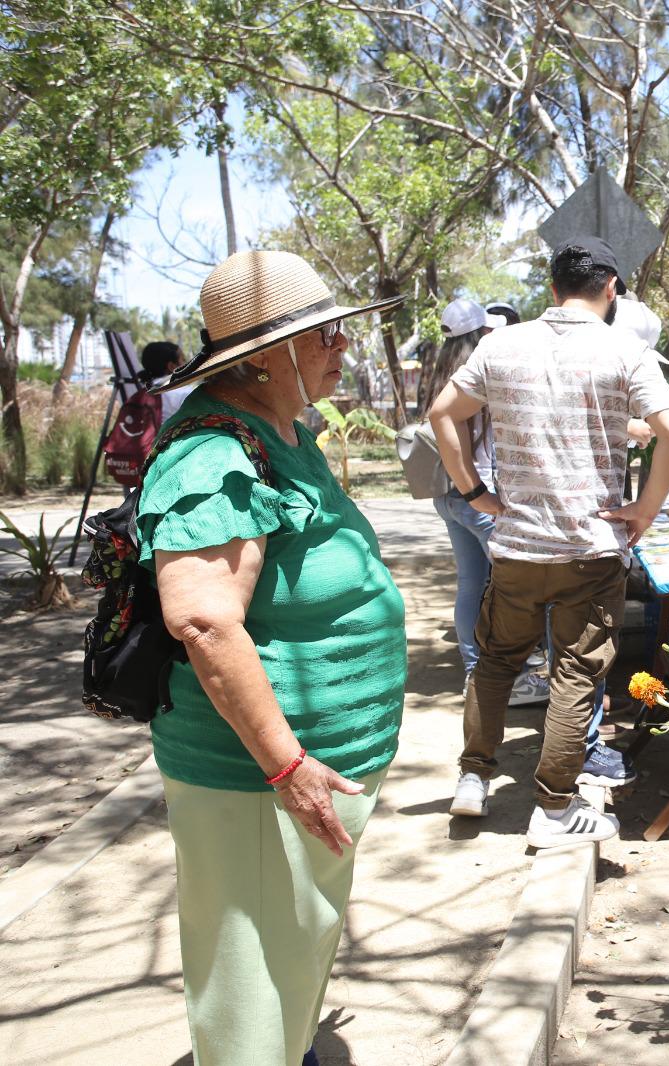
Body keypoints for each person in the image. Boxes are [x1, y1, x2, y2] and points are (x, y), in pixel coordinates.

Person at [142, 250, 407, 1066]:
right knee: (250, 980)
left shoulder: (284, 428)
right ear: (261, 355)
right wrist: (289, 768)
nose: (341, 346)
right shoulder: (209, 452)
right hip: (256, 784)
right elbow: (205, 622)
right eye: (322, 334)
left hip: (305, 774)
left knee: (291, 952)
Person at [428, 236, 669, 847]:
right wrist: (644, 511)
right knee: (575, 674)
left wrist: (474, 492)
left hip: (516, 546)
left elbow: (443, 415)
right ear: (611, 288)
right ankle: (553, 808)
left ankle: (473, 778)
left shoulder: (500, 345)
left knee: (494, 663)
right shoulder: (623, 348)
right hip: (590, 549)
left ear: (551, 290)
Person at [429, 299, 550, 711]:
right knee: (519, 588)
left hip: (448, 497)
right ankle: (514, 678)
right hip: (475, 496)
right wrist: (479, 494)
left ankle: (474, 674)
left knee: (471, 585)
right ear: (480, 333)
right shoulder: (474, 374)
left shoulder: (439, 371)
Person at [140, 340, 194, 423]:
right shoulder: (185, 393)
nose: (186, 363)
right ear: (171, 366)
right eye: (183, 359)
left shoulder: (140, 392)